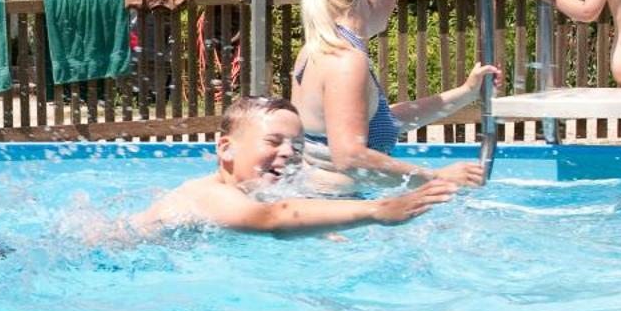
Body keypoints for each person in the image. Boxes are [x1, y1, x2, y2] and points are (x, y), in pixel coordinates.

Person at [290, 0, 498, 190]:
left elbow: (381, 120)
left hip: (316, 202)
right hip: (334, 208)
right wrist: (437, 177)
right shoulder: (346, 60)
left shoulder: (318, 48)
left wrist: (467, 92)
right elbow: (349, 157)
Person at [130, 96, 455, 237]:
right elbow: (272, 218)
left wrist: (319, 232)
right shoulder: (208, 195)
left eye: (297, 147)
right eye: (273, 142)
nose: (288, 153)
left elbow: (287, 212)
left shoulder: (250, 192)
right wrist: (376, 210)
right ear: (227, 150)